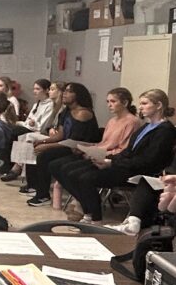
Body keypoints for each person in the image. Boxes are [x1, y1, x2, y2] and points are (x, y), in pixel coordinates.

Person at [55, 89, 176, 222]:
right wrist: (108, 159)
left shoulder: (165, 131)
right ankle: (87, 209)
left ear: (158, 105)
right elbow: (128, 151)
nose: (140, 107)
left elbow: (148, 161)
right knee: (71, 171)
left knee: (85, 177)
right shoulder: (147, 126)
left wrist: (112, 163)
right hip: (125, 165)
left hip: (138, 172)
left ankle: (95, 217)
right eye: (140, 103)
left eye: (145, 103)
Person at [49, 87, 142, 219]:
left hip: (111, 159)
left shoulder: (132, 122)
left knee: (75, 173)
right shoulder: (112, 121)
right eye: (108, 101)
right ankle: (83, 202)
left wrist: (98, 153)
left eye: (113, 101)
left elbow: (123, 148)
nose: (109, 105)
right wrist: (86, 147)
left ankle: (91, 211)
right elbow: (104, 143)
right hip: (99, 154)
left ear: (125, 103)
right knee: (58, 166)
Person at [24, 82, 99, 207]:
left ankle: (43, 195)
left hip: (80, 148)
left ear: (78, 95)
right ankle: (33, 186)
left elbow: (73, 141)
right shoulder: (66, 112)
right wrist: (42, 141)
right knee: (35, 148)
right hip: (67, 144)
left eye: (69, 91)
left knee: (45, 155)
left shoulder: (83, 113)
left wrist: (47, 146)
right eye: (64, 91)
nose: (64, 94)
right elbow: (60, 135)